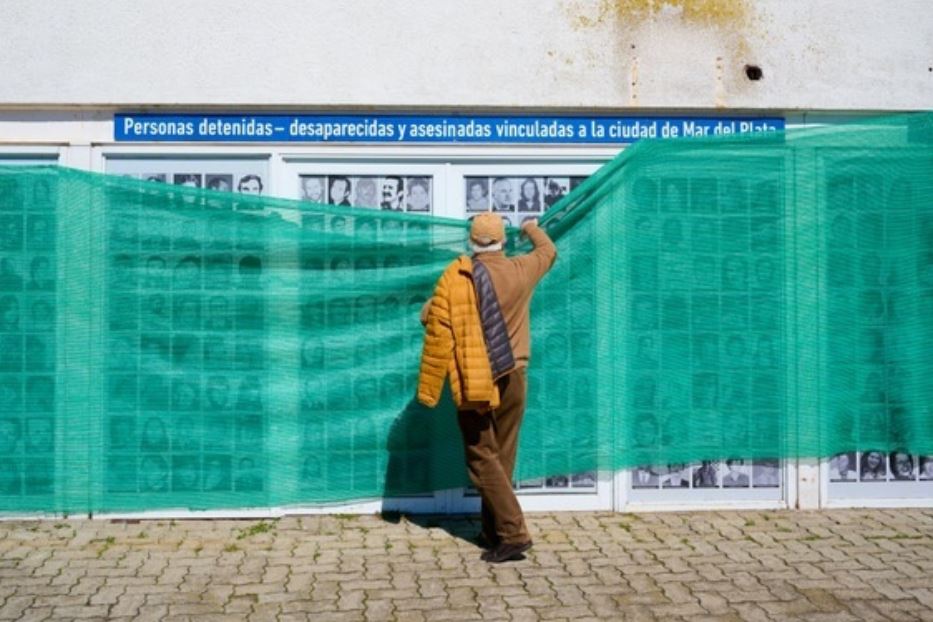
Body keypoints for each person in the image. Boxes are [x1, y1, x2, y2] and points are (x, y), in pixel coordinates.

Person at [418, 212, 556, 563]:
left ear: (471, 241)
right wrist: (530, 226)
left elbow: (427, 317)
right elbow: (548, 250)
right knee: (502, 456)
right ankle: (493, 531)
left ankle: (513, 533)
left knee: (481, 457)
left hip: (475, 377)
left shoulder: (459, 277)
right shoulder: (522, 269)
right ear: (503, 241)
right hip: (515, 375)